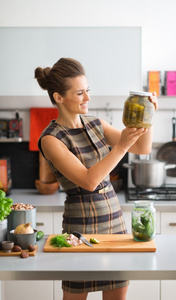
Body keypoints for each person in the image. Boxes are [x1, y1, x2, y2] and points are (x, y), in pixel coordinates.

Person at [35, 58, 158, 300]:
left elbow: (142, 147)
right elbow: (89, 181)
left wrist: (150, 113)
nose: (87, 98)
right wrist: (120, 147)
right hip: (79, 224)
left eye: (87, 91)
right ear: (59, 97)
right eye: (79, 93)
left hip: (113, 220)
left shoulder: (96, 124)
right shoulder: (51, 139)